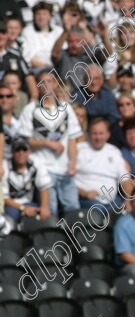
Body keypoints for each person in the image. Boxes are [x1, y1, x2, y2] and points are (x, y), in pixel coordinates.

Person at [19, 70, 82, 216]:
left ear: (55, 84)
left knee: (73, 208)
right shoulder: (30, 109)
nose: (46, 85)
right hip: (43, 167)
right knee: (51, 209)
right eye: (42, 82)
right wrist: (47, 143)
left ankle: (75, 238)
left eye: (49, 81)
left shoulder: (66, 108)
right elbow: (25, 139)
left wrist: (72, 162)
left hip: (65, 168)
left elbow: (73, 139)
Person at [4, 137, 51, 221]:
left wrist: (44, 207)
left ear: (29, 151)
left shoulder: (36, 163)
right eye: (17, 150)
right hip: (11, 206)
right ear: (12, 152)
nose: (21, 153)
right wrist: (23, 208)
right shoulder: (5, 167)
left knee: (44, 215)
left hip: (29, 203)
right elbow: (5, 199)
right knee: (10, 218)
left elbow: (44, 187)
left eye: (24, 149)